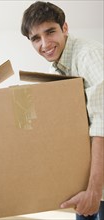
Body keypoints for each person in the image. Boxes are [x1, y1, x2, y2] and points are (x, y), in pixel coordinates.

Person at [21, 1, 104, 220]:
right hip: (86, 179)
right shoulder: (56, 68)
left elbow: (101, 123)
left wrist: (95, 190)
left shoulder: (88, 55)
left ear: (65, 28)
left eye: (50, 32)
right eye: (35, 38)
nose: (45, 43)